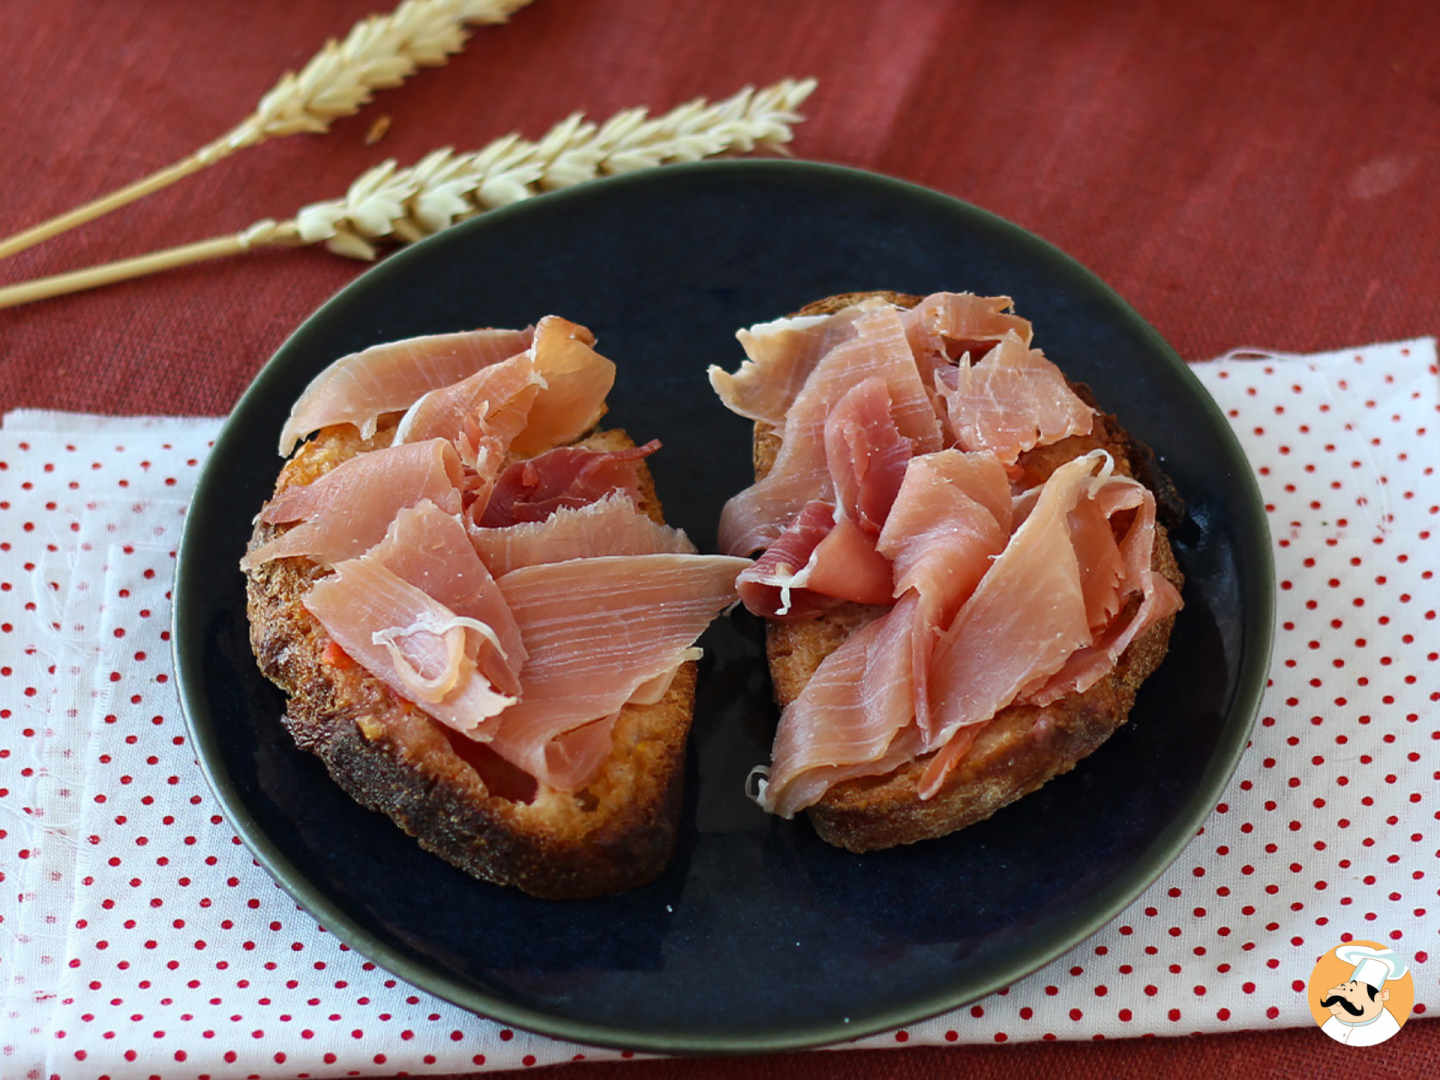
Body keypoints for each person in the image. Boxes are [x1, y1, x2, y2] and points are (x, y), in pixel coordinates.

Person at [1318, 944, 1407, 1046]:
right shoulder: (1333, 1019)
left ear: (1382, 996)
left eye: (1351, 991)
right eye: (1343, 988)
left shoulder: (1385, 1025)